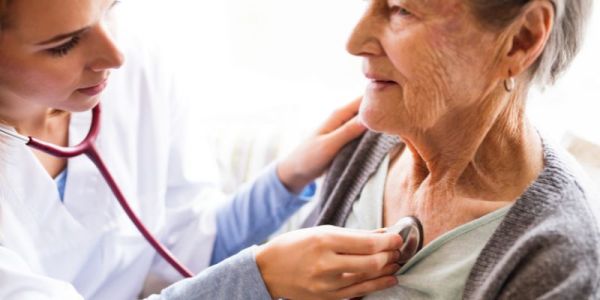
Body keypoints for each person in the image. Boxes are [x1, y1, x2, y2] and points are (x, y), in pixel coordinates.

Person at [0, 0, 404, 299]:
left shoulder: (135, 69)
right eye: (64, 44)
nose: (116, 55)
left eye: (109, 8)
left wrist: (286, 178)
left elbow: (188, 243)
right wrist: (256, 277)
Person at [303, 0, 600, 299]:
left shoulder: (558, 257)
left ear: (520, 40)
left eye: (401, 10)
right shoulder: (362, 141)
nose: (354, 43)